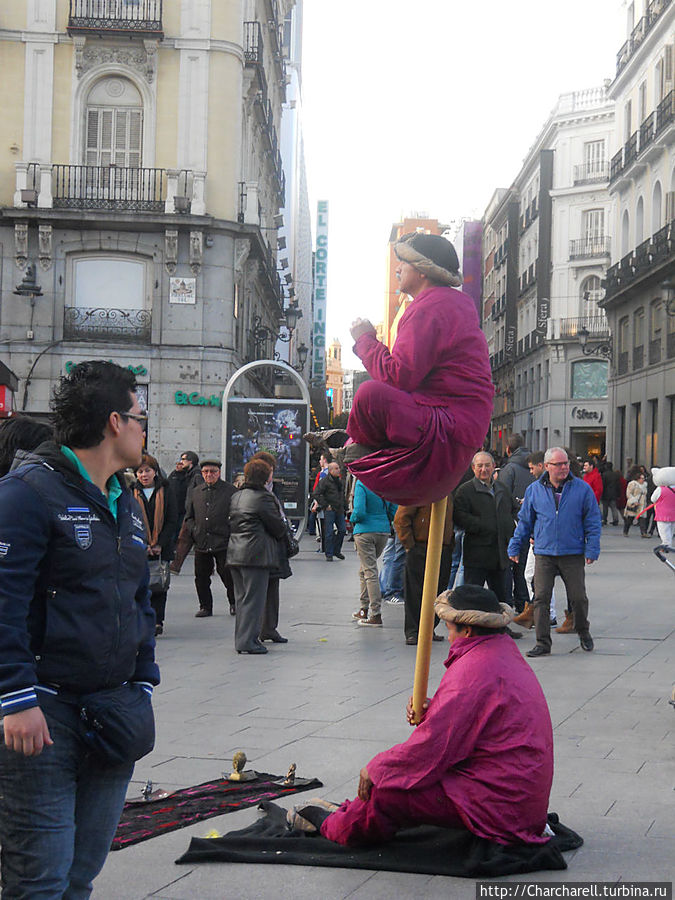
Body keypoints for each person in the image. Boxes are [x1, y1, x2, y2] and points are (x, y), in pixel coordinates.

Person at [0, 360, 159, 897]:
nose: (144, 428)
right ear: (115, 422)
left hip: (113, 714)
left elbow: (138, 598)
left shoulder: (126, 501)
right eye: (142, 417)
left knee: (80, 875)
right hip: (45, 717)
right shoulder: (26, 493)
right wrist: (16, 700)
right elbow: (4, 604)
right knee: (39, 880)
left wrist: (143, 679)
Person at [297, 586, 553, 847]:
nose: (449, 637)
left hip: (502, 804)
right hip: (516, 793)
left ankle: (332, 824)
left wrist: (377, 769)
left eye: (449, 629)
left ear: (467, 630)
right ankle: (349, 810)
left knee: (386, 791)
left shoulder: (474, 669)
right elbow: (474, 717)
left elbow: (431, 748)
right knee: (397, 779)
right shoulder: (501, 651)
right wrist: (435, 707)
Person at [307, 233, 494, 506]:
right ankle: (355, 446)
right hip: (455, 429)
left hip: (444, 431)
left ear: (421, 270)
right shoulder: (451, 304)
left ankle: (355, 449)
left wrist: (365, 339)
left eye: (403, 262)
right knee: (374, 396)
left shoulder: (431, 307)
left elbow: (398, 376)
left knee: (370, 394)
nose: (397, 269)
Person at [508, 447, 601, 657]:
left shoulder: (582, 488)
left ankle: (583, 631)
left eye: (566, 463)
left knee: (578, 597)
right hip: (544, 552)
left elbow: (593, 520)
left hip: (572, 552)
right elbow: (525, 521)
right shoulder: (534, 489)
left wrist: (592, 547)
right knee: (541, 598)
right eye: (558, 464)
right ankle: (543, 643)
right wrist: (515, 545)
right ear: (547, 466)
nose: (564, 468)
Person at [453, 451, 522, 640]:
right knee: (472, 593)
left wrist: (510, 527)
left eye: (487, 465)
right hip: (477, 551)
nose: (484, 469)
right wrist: (482, 526)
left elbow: (513, 511)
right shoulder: (465, 491)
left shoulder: (502, 488)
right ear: (473, 468)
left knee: (502, 594)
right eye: (479, 466)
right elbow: (459, 517)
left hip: (500, 551)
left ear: (493, 467)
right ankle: (468, 628)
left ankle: (502, 627)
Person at [227, 458, 287, 654]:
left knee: (242, 599)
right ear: (265, 476)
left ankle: (242, 639)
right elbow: (277, 527)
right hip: (256, 554)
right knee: (254, 600)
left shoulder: (237, 496)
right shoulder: (264, 498)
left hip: (236, 552)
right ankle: (248, 641)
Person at [172, 459, 237, 618]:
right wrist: (194, 529)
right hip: (201, 541)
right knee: (201, 577)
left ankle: (234, 603)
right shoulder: (196, 491)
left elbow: (236, 515)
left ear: (219, 473)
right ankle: (205, 606)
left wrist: (229, 529)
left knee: (228, 575)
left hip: (223, 541)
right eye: (206, 472)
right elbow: (189, 516)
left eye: (213, 472)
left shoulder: (230, 491)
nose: (209, 475)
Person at [394, 500, 455, 645]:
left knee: (438, 590)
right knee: (415, 591)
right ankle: (413, 631)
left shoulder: (447, 491)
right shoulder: (419, 491)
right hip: (421, 547)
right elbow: (401, 518)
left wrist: (450, 542)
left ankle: (428, 628)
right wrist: (410, 545)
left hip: (442, 548)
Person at [484, 437, 533, 614]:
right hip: (529, 524)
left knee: (508, 565)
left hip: (512, 525)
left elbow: (501, 498)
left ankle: (508, 602)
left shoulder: (509, 469)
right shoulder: (533, 466)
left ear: (508, 450)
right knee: (523, 567)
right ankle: (523, 602)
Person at [133, 453, 178, 636]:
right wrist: (143, 543)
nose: (144, 475)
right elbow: (131, 520)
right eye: (140, 472)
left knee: (160, 584)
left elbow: (172, 520)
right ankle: (144, 618)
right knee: (141, 584)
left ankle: (158, 620)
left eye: (147, 471)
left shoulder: (166, 491)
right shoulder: (131, 492)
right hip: (139, 547)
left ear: (155, 472)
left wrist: (160, 543)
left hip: (162, 547)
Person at [251, 450, 292, 644]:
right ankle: (256, 629)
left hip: (273, 548)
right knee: (257, 591)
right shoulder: (253, 493)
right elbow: (274, 522)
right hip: (259, 547)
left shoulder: (274, 490)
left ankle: (269, 628)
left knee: (272, 589)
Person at [349, 480, 397, 627]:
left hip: (365, 531)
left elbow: (359, 511)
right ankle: (363, 609)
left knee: (369, 571)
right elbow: (393, 509)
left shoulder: (361, 484)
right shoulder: (383, 483)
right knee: (364, 569)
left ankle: (375, 614)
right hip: (382, 531)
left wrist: (352, 519)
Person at [313, 461, 347, 561]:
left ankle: (337, 550)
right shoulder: (325, 481)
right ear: (331, 470)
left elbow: (341, 494)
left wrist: (344, 505)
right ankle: (329, 553)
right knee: (329, 532)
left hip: (339, 509)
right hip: (330, 509)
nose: (338, 470)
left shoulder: (339, 481)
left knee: (342, 530)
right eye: (336, 468)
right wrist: (325, 505)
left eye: (338, 468)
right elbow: (316, 493)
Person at [167, 450, 202, 546]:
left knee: (183, 541)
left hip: (190, 513)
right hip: (187, 511)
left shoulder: (197, 475)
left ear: (190, 461)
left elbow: (201, 494)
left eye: (183, 459)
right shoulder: (189, 474)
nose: (181, 462)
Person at [622, 466, 649, 537]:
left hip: (642, 505)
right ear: (637, 478)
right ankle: (625, 531)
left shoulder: (645, 485)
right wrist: (633, 501)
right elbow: (628, 493)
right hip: (633, 504)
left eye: (644, 478)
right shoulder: (632, 484)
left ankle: (643, 533)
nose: (643, 480)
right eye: (641, 478)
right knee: (630, 519)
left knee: (642, 519)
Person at [600, 462, 621, 526]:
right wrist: (618, 494)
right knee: (613, 507)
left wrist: (602, 493)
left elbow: (603, 485)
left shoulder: (604, 475)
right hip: (614, 493)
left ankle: (604, 519)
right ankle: (616, 519)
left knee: (605, 508)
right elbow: (618, 485)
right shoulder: (615, 475)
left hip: (606, 493)